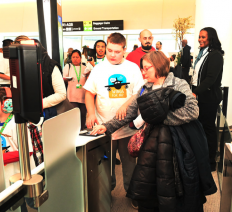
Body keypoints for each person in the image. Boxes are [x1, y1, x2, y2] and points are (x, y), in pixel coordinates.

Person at [91, 51, 199, 211]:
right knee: (151, 182)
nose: (142, 72)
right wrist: (107, 126)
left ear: (159, 66)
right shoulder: (144, 88)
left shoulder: (178, 84)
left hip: (175, 146)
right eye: (142, 68)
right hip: (151, 143)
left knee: (172, 183)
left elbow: (192, 111)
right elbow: (129, 112)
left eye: (146, 68)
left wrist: (156, 118)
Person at [83, 33, 144, 209]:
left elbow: (139, 92)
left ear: (124, 50)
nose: (112, 54)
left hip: (127, 128)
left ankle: (132, 193)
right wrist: (90, 113)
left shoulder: (132, 68)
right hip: (104, 127)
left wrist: (126, 104)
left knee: (129, 165)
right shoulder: (99, 68)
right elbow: (89, 93)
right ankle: (106, 193)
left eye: (117, 51)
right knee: (105, 165)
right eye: (109, 50)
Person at [14, 35, 66, 165]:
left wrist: (37, 104)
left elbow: (61, 94)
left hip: (46, 114)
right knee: (31, 152)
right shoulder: (17, 66)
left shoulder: (50, 66)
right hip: (24, 116)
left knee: (49, 152)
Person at [191, 27, 224, 171]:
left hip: (208, 97)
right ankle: (200, 157)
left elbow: (210, 79)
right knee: (199, 127)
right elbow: (197, 75)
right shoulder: (202, 53)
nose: (200, 39)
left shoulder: (215, 55)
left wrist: (195, 93)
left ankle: (211, 161)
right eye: (199, 37)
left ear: (211, 38)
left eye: (203, 37)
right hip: (199, 94)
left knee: (208, 128)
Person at [63, 49, 87, 130]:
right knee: (74, 114)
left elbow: (88, 80)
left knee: (83, 113)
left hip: (83, 95)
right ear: (71, 58)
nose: (75, 59)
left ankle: (82, 129)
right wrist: (67, 79)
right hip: (72, 95)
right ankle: (74, 130)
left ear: (80, 58)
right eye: (73, 57)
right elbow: (63, 78)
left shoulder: (85, 67)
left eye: (77, 57)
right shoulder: (68, 66)